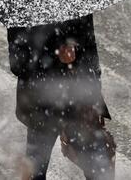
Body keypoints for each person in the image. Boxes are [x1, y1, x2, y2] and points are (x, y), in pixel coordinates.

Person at [7, 14, 116, 180]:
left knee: (99, 170)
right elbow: (18, 64)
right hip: (42, 106)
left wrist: (93, 88)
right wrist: (56, 55)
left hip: (80, 102)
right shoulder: (23, 10)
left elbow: (90, 48)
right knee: (35, 171)